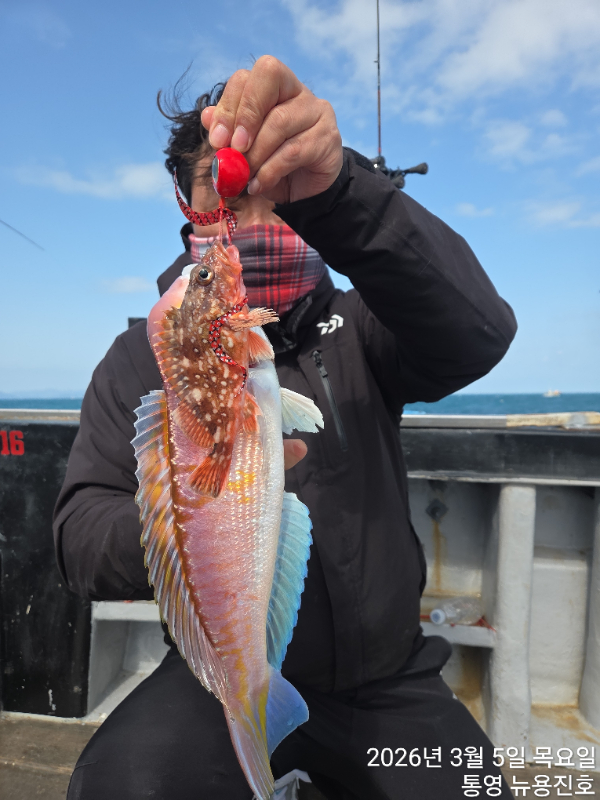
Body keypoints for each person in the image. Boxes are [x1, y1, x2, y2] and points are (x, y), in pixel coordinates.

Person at [53, 57, 517, 799]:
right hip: (212, 672)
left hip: (386, 684)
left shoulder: (364, 323)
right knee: (123, 787)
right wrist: (187, 513)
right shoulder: (144, 356)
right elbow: (80, 538)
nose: (252, 206)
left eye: (278, 185)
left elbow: (478, 333)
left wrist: (342, 190)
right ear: (189, 203)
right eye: (226, 187)